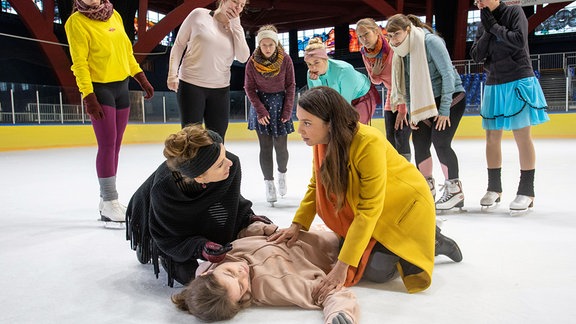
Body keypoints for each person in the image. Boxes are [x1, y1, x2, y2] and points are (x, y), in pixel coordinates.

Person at [268, 87, 462, 302]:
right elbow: (317, 185)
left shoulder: (368, 142)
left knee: (376, 272)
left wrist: (343, 266)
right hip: (376, 208)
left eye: (307, 123)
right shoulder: (324, 142)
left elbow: (370, 209)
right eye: (300, 121)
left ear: (330, 122)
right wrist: (297, 224)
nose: (299, 130)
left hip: (403, 208)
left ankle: (432, 240)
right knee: (348, 252)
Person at [126, 124, 272, 286]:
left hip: (187, 206)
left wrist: (247, 218)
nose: (229, 162)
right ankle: (148, 245)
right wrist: (200, 247)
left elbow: (229, 202)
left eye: (225, 153)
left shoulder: (231, 165)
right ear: (200, 177)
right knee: (190, 278)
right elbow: (169, 235)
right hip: (158, 218)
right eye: (220, 164)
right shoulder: (164, 189)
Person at [65, 0, 154, 224]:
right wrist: (88, 95)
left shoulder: (114, 15)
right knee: (106, 144)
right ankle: (110, 200)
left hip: (121, 87)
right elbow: (79, 63)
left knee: (116, 145)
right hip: (100, 89)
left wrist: (140, 77)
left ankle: (107, 201)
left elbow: (127, 53)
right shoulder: (76, 22)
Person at [172, 222, 359, 323]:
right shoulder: (274, 288)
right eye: (241, 285)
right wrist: (340, 313)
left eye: (230, 273)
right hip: (344, 246)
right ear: (240, 299)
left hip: (319, 224)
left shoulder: (223, 254)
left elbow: (245, 232)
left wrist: (263, 228)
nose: (241, 273)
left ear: (207, 273)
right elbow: (329, 292)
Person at [470, 0, 549, 212]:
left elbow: (518, 40)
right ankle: (494, 188)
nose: (479, 3)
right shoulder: (482, 23)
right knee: (491, 137)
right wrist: (488, 29)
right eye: (476, 0)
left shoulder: (514, 12)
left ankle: (526, 191)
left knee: (521, 134)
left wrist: (494, 27)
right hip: (495, 82)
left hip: (518, 78)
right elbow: (477, 54)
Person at [385, 14, 467, 211]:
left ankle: (454, 190)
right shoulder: (402, 52)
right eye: (389, 36)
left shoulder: (431, 42)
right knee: (419, 142)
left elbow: (448, 74)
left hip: (450, 97)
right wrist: (413, 112)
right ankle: (426, 187)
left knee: (440, 141)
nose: (393, 40)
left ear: (407, 30)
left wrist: (445, 109)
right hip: (425, 102)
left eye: (396, 35)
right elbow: (408, 83)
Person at [167, 0, 250, 139]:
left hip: (220, 89)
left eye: (242, 5)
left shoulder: (235, 30)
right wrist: (172, 74)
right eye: (235, 1)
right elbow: (179, 45)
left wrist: (236, 25)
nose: (238, 7)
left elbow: (243, 57)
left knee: (218, 140)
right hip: (191, 84)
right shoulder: (198, 15)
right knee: (191, 140)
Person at [244, 25, 296, 205]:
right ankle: (269, 183)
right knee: (265, 147)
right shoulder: (252, 62)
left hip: (281, 104)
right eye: (263, 44)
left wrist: (288, 109)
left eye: (270, 45)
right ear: (259, 45)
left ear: (276, 44)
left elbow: (290, 86)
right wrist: (260, 109)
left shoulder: (286, 60)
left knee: (281, 147)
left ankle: (282, 174)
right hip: (261, 106)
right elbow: (249, 88)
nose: (267, 48)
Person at [356, 18, 411, 162]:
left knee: (401, 136)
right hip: (390, 95)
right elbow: (376, 81)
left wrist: (403, 109)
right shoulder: (365, 53)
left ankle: (406, 173)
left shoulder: (392, 47)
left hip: (405, 94)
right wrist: (375, 73)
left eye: (366, 34)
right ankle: (393, 172)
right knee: (390, 137)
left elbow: (403, 79)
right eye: (360, 37)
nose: (363, 39)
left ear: (376, 31)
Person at [304, 38, 381, 125]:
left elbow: (345, 105)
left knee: (352, 128)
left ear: (325, 59)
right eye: (309, 64)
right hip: (340, 100)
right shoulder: (310, 74)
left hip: (362, 95)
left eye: (316, 62)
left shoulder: (343, 70)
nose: (313, 67)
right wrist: (315, 81)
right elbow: (318, 101)